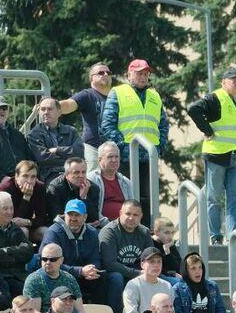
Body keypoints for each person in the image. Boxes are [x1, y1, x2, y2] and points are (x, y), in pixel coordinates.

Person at [188, 67, 236, 243]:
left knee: (235, 199)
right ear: (223, 83)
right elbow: (193, 109)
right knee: (214, 198)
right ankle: (215, 236)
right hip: (217, 155)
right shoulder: (215, 98)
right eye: (234, 80)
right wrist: (207, 130)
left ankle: (234, 237)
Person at [100, 59, 169, 224]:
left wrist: (160, 146)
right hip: (126, 157)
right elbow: (107, 125)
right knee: (127, 199)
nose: (143, 77)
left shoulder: (155, 96)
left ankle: (146, 231)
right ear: (129, 74)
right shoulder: (118, 92)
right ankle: (126, 230)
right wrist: (123, 147)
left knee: (148, 199)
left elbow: (163, 124)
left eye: (146, 74)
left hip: (149, 157)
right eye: (139, 73)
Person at [60, 63, 114, 171]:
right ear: (91, 78)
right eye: (101, 73)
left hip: (114, 150)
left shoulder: (116, 96)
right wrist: (49, 105)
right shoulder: (87, 95)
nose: (105, 74)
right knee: (93, 179)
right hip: (93, 149)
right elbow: (68, 105)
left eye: (108, 72)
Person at [28, 97, 84, 183]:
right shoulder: (34, 134)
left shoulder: (71, 131)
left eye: (50, 109)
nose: (46, 112)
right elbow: (43, 159)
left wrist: (57, 150)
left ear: (59, 112)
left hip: (73, 173)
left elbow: (79, 152)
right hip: (49, 176)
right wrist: (69, 156)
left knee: (93, 187)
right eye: (43, 109)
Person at [121, 248, 173, 313]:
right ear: (142, 265)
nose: (156, 265)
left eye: (159, 262)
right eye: (152, 262)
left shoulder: (167, 286)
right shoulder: (133, 285)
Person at [0, 160, 52, 242]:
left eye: (33, 177)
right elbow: (12, 220)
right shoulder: (6, 188)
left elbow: (42, 217)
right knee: (23, 231)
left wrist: (29, 222)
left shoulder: (39, 187)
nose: (29, 181)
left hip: (30, 226)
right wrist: (26, 197)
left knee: (46, 232)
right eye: (25, 176)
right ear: (16, 176)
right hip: (8, 229)